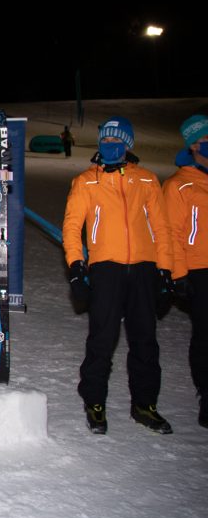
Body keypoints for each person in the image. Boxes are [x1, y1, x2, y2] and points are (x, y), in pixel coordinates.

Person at [63, 117, 174, 434]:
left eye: (116, 141)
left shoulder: (147, 181)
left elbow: (162, 229)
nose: (110, 146)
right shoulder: (87, 181)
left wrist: (165, 271)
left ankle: (145, 404)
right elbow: (72, 228)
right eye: (105, 141)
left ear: (128, 144)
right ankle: (95, 403)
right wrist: (76, 265)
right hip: (106, 269)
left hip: (143, 269)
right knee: (102, 340)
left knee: (145, 342)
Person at [162, 114, 208, 429]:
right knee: (205, 335)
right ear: (193, 144)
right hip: (199, 268)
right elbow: (172, 233)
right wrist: (179, 274)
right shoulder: (180, 184)